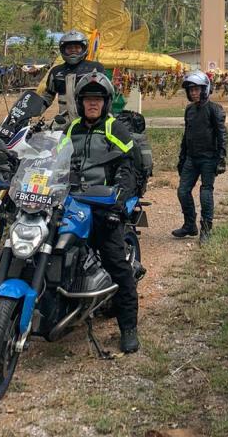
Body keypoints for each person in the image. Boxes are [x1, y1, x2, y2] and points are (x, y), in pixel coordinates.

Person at [64, 69, 140, 353]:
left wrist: (117, 204)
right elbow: (53, 160)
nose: (92, 103)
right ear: (80, 102)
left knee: (116, 264)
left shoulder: (114, 128)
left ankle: (128, 327)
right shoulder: (71, 129)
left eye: (97, 99)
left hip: (103, 204)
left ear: (106, 102)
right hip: (72, 201)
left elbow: (127, 168)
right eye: (88, 99)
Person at [172, 70, 228, 245]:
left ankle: (206, 229)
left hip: (209, 158)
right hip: (191, 158)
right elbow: (186, 134)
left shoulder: (214, 109)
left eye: (197, 89)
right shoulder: (189, 110)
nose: (194, 93)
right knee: (182, 191)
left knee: (206, 192)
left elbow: (222, 135)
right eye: (191, 90)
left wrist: (221, 158)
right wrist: (182, 157)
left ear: (205, 89)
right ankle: (190, 225)